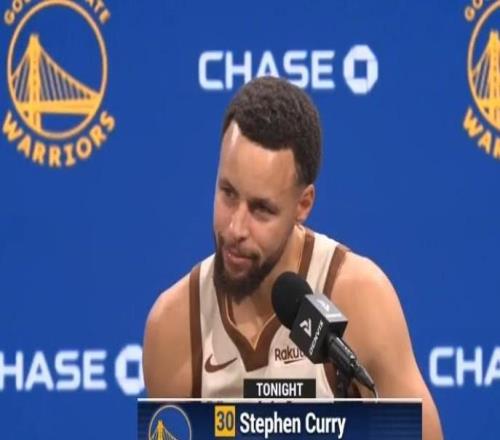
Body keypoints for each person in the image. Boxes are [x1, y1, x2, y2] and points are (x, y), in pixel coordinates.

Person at [143, 77, 443, 439]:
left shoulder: (358, 298)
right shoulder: (175, 326)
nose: (235, 228)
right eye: (228, 193)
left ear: (303, 204)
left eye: (261, 209)